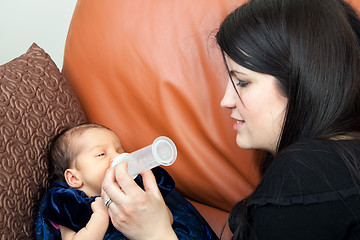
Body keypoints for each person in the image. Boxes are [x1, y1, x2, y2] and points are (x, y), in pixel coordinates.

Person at [100, 0, 360, 239]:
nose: (226, 100)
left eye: (243, 82)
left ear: (302, 83)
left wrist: (155, 233)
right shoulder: (330, 165)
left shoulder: (306, 174)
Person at [34, 123, 218, 240]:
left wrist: (156, 212)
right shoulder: (68, 202)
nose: (119, 157)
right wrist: (100, 216)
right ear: (74, 178)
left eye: (120, 150)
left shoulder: (135, 189)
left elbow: (166, 220)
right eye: (101, 154)